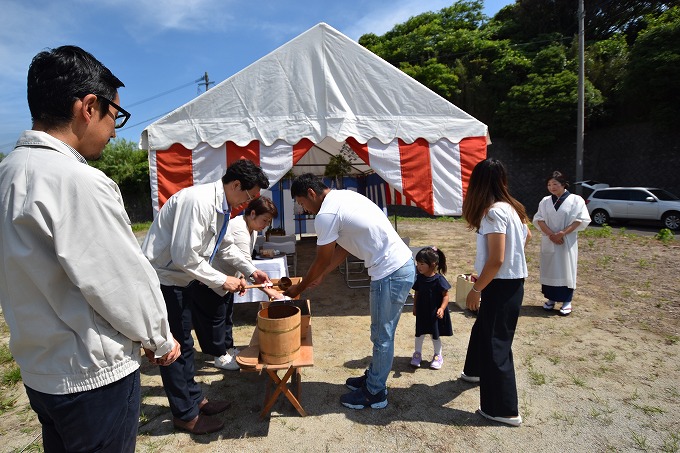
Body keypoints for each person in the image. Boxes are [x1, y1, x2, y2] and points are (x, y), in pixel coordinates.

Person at [0, 45, 180, 452]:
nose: (115, 130)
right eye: (116, 115)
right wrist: (160, 339)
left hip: (40, 368)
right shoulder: (77, 181)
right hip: (92, 373)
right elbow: (120, 281)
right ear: (89, 106)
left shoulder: (7, 174)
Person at [141, 159, 270, 435]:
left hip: (182, 281)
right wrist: (224, 280)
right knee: (172, 347)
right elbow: (185, 255)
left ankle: (195, 400)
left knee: (185, 344)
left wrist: (251, 271)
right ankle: (185, 415)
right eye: (249, 196)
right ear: (236, 185)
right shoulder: (197, 201)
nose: (248, 203)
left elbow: (224, 248)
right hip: (163, 281)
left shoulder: (221, 207)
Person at [284, 173, 415, 410]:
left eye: (302, 203)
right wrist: (323, 275)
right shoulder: (344, 197)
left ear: (311, 194)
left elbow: (321, 259)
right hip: (396, 267)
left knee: (382, 336)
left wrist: (299, 287)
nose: (304, 209)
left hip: (390, 272)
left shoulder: (326, 215)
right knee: (380, 333)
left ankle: (375, 393)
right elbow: (343, 247)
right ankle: (374, 377)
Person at [460, 158, 531, 427]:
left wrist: (477, 289)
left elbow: (497, 258)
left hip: (501, 283)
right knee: (485, 331)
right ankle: (474, 371)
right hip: (509, 282)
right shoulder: (512, 208)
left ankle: (502, 410)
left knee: (496, 343)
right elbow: (526, 237)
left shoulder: (493, 213)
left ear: (477, 183)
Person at [209, 195, 283, 370]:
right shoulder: (239, 228)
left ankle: (228, 348)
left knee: (227, 315)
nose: (265, 225)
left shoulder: (252, 229)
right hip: (216, 278)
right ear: (252, 213)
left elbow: (244, 261)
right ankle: (219, 355)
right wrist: (269, 291)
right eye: (264, 220)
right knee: (217, 318)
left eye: (268, 221)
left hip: (230, 278)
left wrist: (242, 277)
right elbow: (246, 262)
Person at [533, 171, 591, 316]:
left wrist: (562, 233)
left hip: (566, 241)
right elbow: (539, 219)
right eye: (549, 184)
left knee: (566, 268)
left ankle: (567, 301)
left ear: (564, 184)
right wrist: (551, 235)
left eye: (555, 184)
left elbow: (580, 220)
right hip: (549, 239)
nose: (552, 187)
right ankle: (551, 298)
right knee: (550, 268)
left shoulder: (576, 200)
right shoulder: (545, 201)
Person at [411, 247, 453, 370]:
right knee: (419, 334)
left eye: (422, 264)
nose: (418, 266)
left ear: (433, 264)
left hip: (434, 313)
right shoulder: (420, 278)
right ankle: (417, 354)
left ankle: (437, 356)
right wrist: (415, 307)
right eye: (417, 263)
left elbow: (445, 296)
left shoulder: (439, 279)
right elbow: (417, 293)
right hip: (422, 312)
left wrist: (442, 308)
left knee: (435, 335)